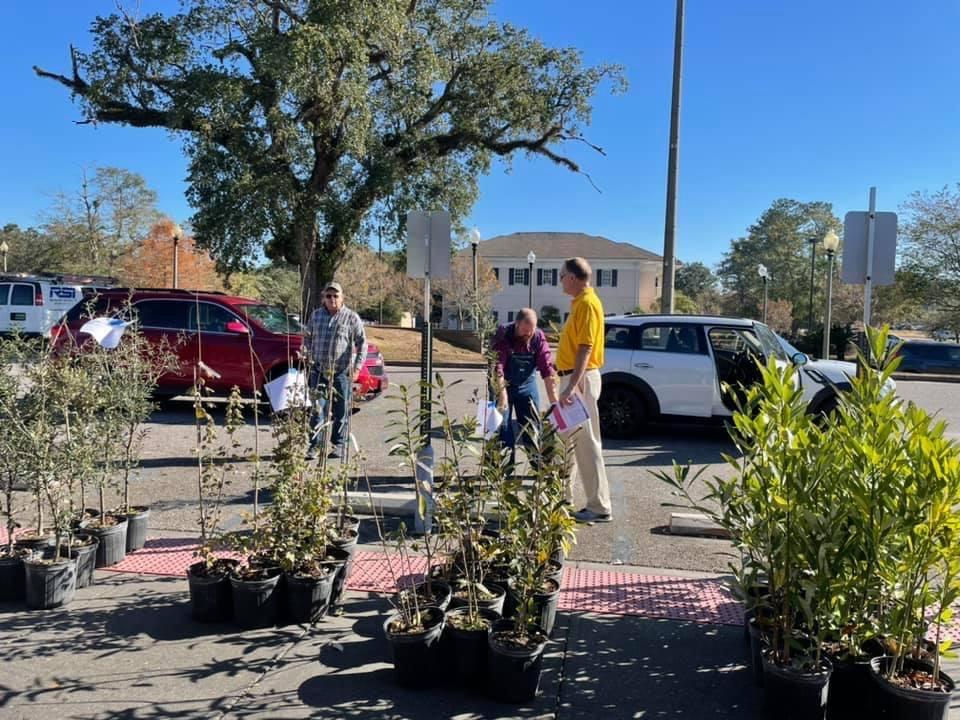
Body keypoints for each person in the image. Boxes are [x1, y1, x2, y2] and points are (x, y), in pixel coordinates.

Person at [556, 257, 612, 523]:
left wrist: (571, 386)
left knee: (586, 444)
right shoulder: (580, 303)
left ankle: (599, 506)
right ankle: (563, 497)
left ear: (573, 277)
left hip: (579, 381)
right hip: (573, 380)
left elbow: (585, 347)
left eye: (562, 275)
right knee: (564, 442)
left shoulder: (588, 304)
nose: (560, 281)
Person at [304, 281, 367, 460]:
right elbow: (307, 339)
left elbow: (362, 344)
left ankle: (338, 445)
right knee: (317, 411)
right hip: (318, 371)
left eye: (336, 296)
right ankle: (314, 446)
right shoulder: (316, 316)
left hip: (341, 374)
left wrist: (356, 369)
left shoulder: (351, 317)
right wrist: (306, 354)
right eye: (328, 296)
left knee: (341, 412)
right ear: (323, 298)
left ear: (342, 297)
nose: (332, 299)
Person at [491, 308, 558, 460]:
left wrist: (554, 401)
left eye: (531, 331)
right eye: (524, 330)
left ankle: (539, 468)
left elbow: (547, 370)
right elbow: (497, 368)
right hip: (502, 384)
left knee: (533, 427)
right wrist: (502, 396)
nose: (528, 334)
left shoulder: (538, 337)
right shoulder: (503, 334)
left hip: (527, 386)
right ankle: (503, 473)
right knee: (503, 428)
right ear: (517, 324)